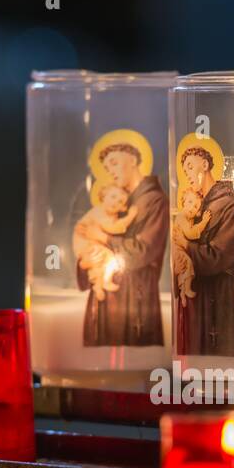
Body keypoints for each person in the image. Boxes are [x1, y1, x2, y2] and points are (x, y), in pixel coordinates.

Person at [73, 142, 167, 347]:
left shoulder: (153, 200)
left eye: (114, 163)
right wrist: (85, 261)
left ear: (133, 160)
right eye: (107, 168)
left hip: (135, 296)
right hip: (106, 295)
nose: (111, 172)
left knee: (132, 357)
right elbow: (90, 239)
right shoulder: (117, 201)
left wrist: (104, 238)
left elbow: (145, 250)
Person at [172, 146, 234, 357]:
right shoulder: (193, 208)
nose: (187, 173)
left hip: (216, 302)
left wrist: (187, 246)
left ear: (205, 164)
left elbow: (219, 257)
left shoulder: (233, 207)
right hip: (192, 304)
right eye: (184, 168)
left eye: (190, 166)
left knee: (220, 368)